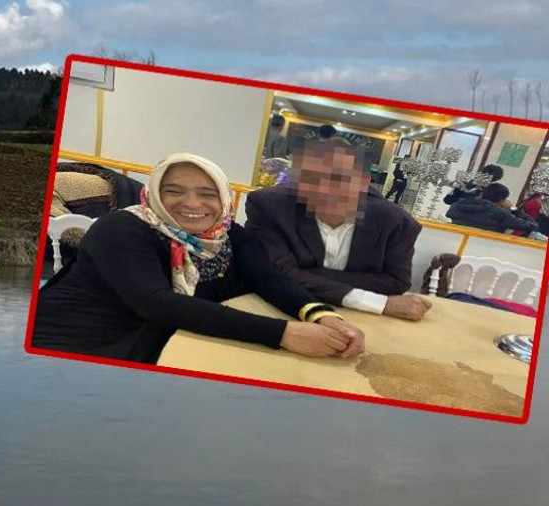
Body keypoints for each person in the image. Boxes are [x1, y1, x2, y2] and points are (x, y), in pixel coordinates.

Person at [30, 152, 366, 364]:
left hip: (169, 336)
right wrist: (284, 334)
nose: (193, 204)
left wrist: (324, 317)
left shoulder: (228, 234)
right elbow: (156, 303)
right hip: (81, 344)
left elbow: (270, 278)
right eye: (174, 191)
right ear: (154, 193)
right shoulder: (120, 228)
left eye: (208, 193)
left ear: (224, 199)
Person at [245, 138, 431, 322]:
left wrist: (300, 272)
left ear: (363, 182)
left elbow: (396, 282)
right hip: (281, 309)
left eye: (339, 178)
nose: (324, 190)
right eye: (312, 179)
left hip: (365, 322)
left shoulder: (396, 223)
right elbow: (270, 272)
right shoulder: (269, 207)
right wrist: (377, 302)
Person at [445, 183, 548, 238]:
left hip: (453, 242)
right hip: (487, 249)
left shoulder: (458, 205)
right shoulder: (500, 214)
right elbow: (533, 225)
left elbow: (448, 213)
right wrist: (514, 209)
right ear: (501, 200)